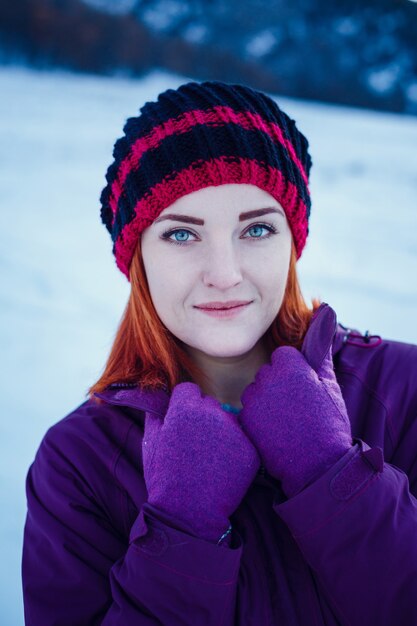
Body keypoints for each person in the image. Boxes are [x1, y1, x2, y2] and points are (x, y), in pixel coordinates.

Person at [21, 80, 417, 626]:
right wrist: (179, 524)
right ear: (138, 259)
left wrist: (334, 475)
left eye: (256, 228)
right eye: (182, 236)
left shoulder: (404, 389)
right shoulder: (77, 463)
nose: (225, 274)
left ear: (292, 242)